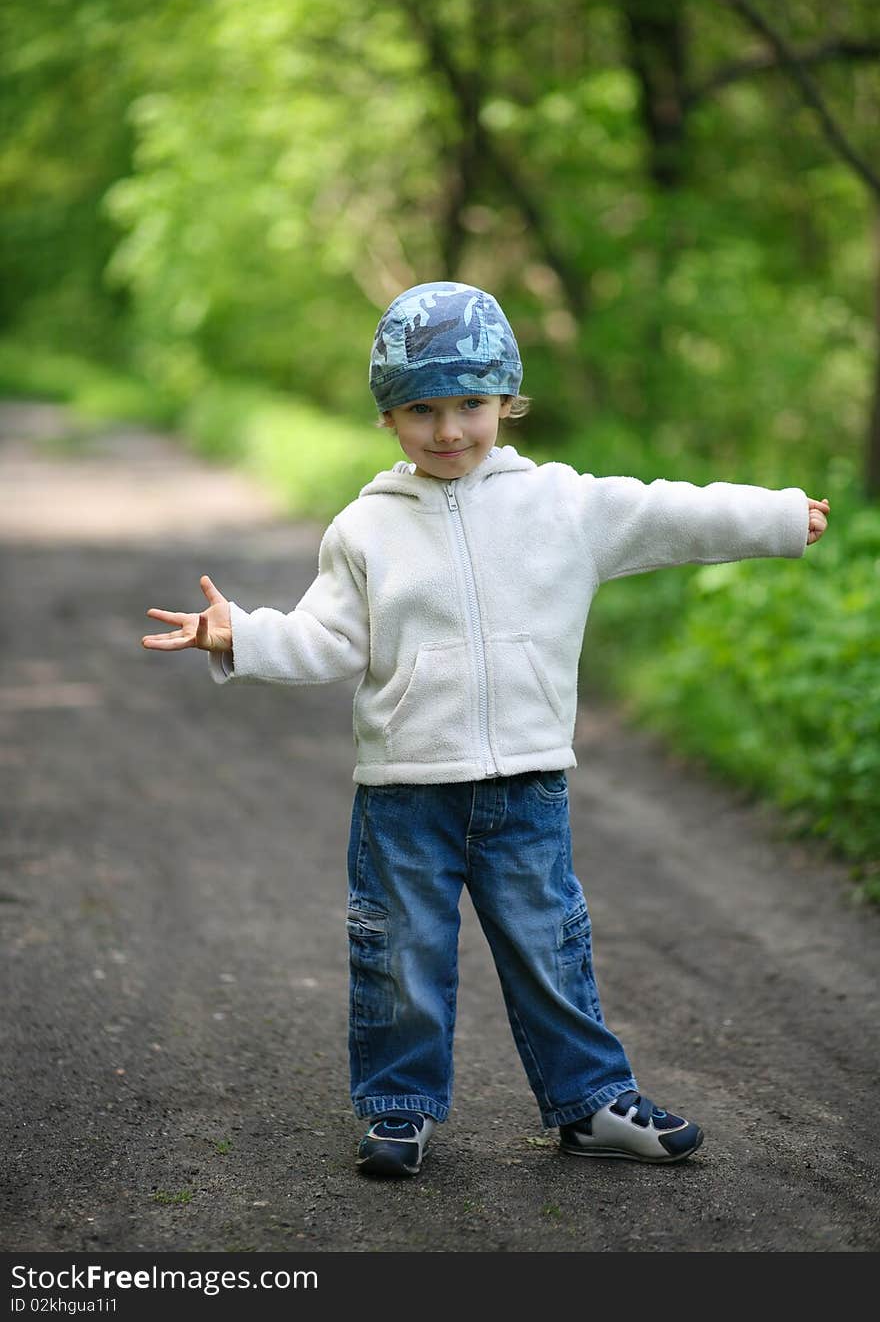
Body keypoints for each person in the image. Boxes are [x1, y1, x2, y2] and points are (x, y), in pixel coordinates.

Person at [142, 280, 830, 1178]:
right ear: (389, 417)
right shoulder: (366, 530)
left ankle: (589, 1104)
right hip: (405, 796)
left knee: (552, 950)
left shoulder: (563, 507)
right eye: (422, 409)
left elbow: (670, 510)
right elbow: (324, 638)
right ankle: (397, 1109)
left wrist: (776, 515)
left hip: (526, 787)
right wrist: (244, 632)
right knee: (400, 957)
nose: (449, 430)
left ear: (507, 400)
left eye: (471, 404)